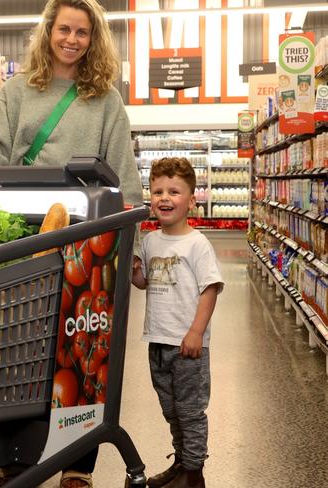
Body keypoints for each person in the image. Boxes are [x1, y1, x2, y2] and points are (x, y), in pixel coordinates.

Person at [0, 2, 142, 487]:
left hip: (87, 243)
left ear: (95, 40)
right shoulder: (17, 90)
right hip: (21, 235)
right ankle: (3, 449)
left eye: (83, 33)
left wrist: (133, 247)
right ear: (49, 32)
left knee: (81, 346)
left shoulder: (106, 101)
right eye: (64, 29)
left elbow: (126, 182)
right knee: (13, 345)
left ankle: (77, 464)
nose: (72, 39)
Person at [132, 157, 224, 488]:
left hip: (187, 346)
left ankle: (195, 474)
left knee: (190, 412)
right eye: (157, 191)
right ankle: (182, 463)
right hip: (157, 340)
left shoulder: (197, 243)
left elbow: (210, 288)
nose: (164, 198)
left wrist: (196, 332)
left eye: (174, 191)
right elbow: (145, 283)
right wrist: (135, 272)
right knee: (171, 410)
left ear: (191, 200)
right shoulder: (150, 240)